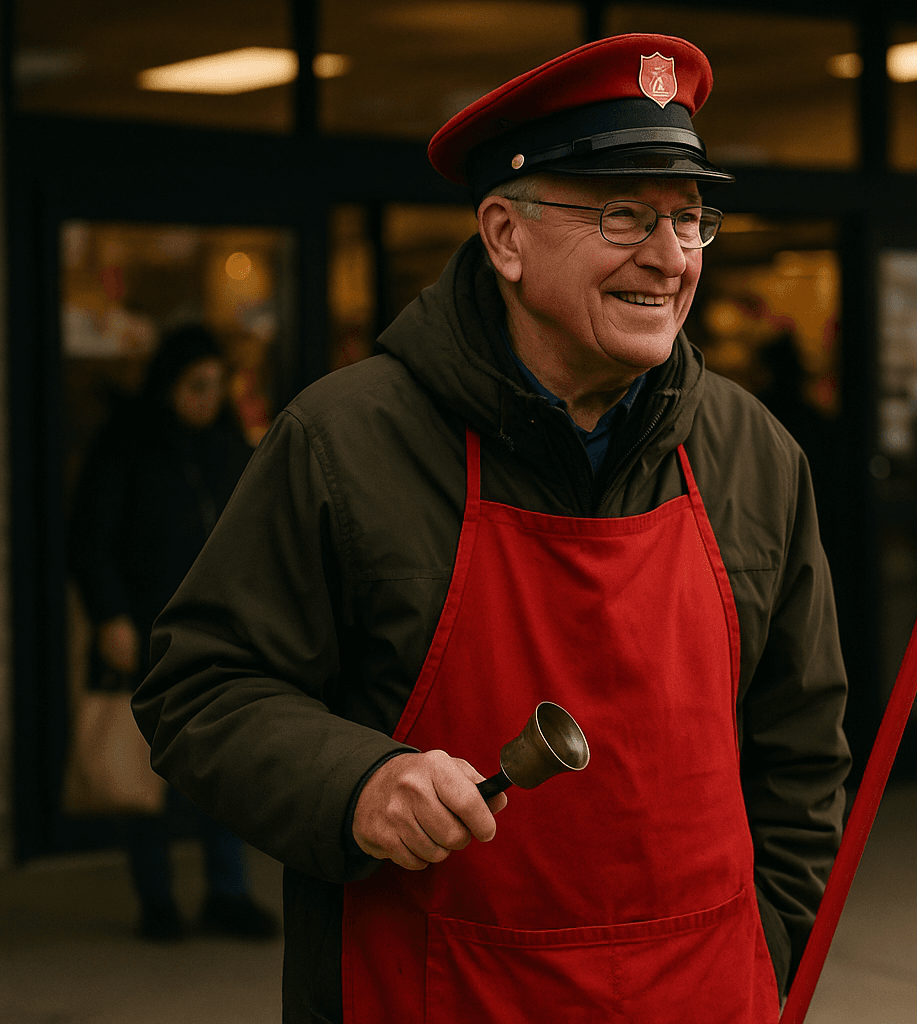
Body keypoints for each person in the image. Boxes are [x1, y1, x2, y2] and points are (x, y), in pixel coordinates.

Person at [134, 34, 850, 1023]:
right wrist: (357, 783)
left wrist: (770, 946)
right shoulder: (345, 442)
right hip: (437, 994)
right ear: (505, 236)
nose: (670, 257)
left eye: (689, 219)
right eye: (624, 214)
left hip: (705, 996)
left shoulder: (755, 455)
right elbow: (198, 688)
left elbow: (803, 750)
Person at [68, 325, 278, 941]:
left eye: (216, 385)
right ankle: (157, 898)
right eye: (195, 385)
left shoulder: (228, 446)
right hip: (144, 628)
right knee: (145, 764)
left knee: (226, 761)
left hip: (219, 633)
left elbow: (255, 532)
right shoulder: (127, 444)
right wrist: (110, 615)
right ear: (168, 384)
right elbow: (89, 538)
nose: (206, 398)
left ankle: (227, 893)